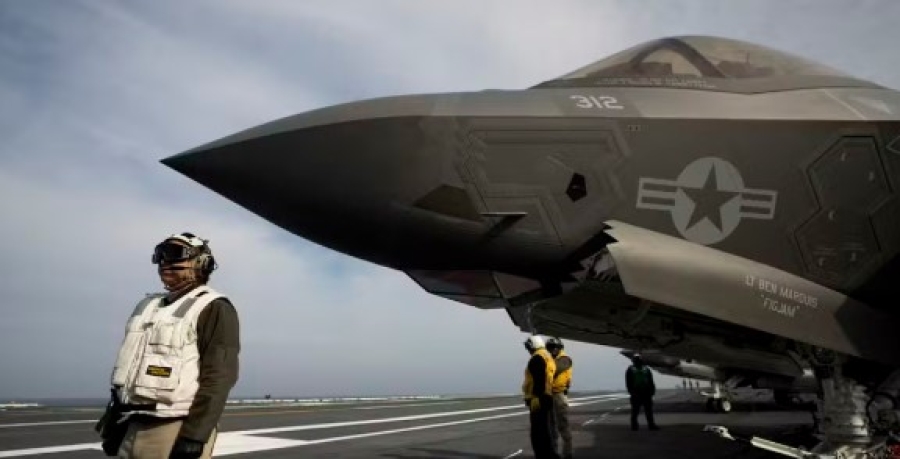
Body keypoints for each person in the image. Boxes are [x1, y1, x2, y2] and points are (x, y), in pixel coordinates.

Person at [102, 232, 241, 458]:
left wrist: (194, 436)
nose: (164, 261)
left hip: (173, 428)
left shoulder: (213, 307)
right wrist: (113, 423)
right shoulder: (147, 306)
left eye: (175, 254)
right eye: (160, 254)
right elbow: (129, 371)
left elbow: (219, 377)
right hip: (130, 424)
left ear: (201, 263)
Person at [521, 335, 560, 459]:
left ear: (534, 345)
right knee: (546, 431)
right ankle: (551, 455)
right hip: (547, 397)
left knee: (538, 434)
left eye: (529, 347)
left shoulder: (537, 358)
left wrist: (536, 398)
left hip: (538, 399)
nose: (528, 350)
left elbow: (539, 379)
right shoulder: (548, 357)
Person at [546, 338, 573, 459]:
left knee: (563, 425)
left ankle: (567, 454)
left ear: (560, 348)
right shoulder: (551, 360)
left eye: (555, 347)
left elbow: (554, 370)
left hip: (559, 395)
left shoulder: (565, 359)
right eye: (550, 347)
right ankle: (554, 453)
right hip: (550, 395)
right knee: (551, 426)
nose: (553, 349)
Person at [626, 353, 659, 431]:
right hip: (636, 391)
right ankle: (634, 426)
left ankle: (651, 425)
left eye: (639, 360)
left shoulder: (646, 369)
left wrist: (652, 390)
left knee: (648, 410)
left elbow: (650, 380)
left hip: (646, 391)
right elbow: (628, 382)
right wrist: (632, 392)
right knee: (635, 410)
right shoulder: (631, 369)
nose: (638, 361)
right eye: (636, 360)